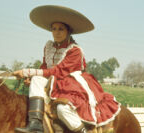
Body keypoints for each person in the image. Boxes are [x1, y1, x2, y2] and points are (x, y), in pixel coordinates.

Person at [13, 5, 121, 133]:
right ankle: (35, 124)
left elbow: (58, 72)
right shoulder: (48, 47)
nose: (56, 32)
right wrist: (31, 78)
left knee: (62, 109)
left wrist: (27, 71)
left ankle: (83, 131)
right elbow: (44, 67)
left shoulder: (75, 50)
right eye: (53, 29)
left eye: (60, 29)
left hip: (70, 84)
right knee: (36, 79)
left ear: (68, 32)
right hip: (52, 81)